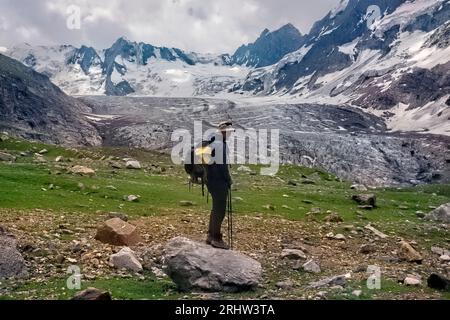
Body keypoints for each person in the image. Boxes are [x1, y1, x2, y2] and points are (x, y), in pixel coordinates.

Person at [206, 121, 234, 250]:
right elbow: (222, 166)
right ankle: (216, 238)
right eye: (228, 133)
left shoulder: (213, 142)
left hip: (210, 180)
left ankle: (211, 235)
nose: (229, 135)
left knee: (215, 208)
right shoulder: (220, 145)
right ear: (223, 133)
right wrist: (228, 180)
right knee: (220, 209)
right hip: (218, 181)